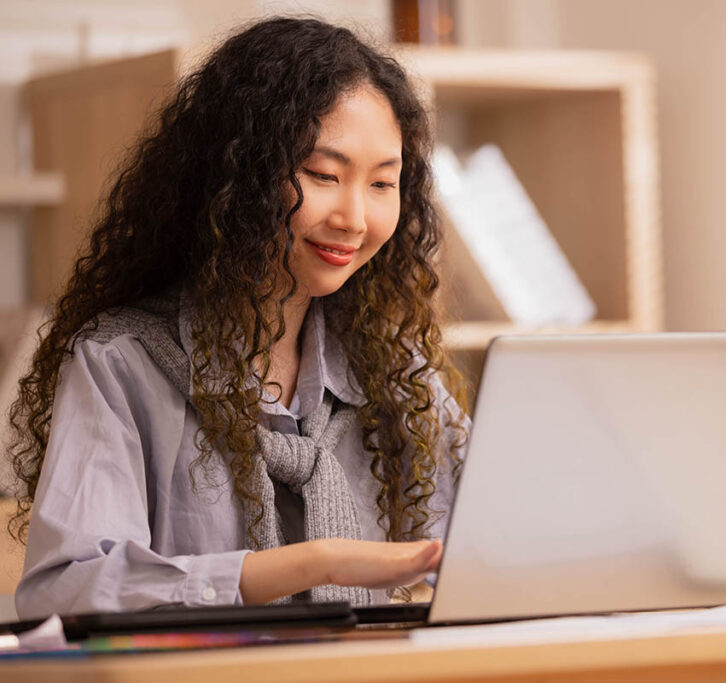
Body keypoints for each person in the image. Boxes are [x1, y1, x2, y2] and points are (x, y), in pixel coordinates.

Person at [6, 16, 469, 619]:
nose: (355, 217)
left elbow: (501, 531)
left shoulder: (391, 367)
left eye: (384, 183)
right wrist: (317, 564)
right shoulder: (119, 362)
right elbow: (66, 588)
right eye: (323, 175)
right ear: (239, 175)